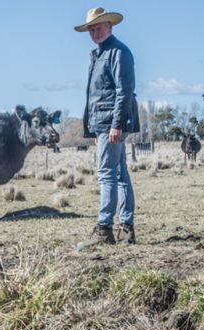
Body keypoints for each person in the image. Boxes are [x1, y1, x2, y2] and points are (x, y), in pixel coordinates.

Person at [75, 7, 139, 246]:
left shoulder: (118, 52)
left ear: (110, 26)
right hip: (104, 124)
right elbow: (98, 95)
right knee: (119, 174)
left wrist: (115, 125)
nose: (94, 32)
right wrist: (95, 129)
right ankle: (126, 228)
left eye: (98, 27)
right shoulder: (100, 53)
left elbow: (124, 92)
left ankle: (104, 230)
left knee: (107, 175)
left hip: (112, 123)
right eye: (91, 29)